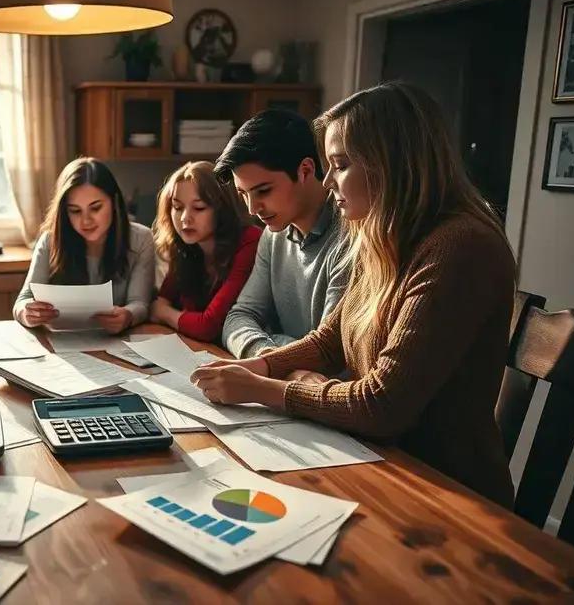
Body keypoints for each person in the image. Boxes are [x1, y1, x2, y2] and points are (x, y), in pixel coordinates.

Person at [191, 81, 517, 506]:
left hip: (443, 490)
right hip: (380, 461)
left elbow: (381, 404)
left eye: (340, 165)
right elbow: (331, 339)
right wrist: (261, 365)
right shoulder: (386, 237)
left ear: (391, 163)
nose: (327, 182)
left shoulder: (460, 247)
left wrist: (259, 389)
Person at [216, 109, 349, 358]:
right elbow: (239, 317)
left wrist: (275, 357)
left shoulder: (349, 236)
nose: (252, 209)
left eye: (263, 191)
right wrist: (266, 353)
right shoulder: (272, 236)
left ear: (306, 170)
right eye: (243, 194)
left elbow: (327, 352)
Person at [14, 157, 154, 333]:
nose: (86, 221)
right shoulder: (50, 240)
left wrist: (128, 315)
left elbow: (140, 303)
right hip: (61, 343)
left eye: (95, 208)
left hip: (116, 344)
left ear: (114, 202)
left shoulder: (141, 239)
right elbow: (23, 300)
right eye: (75, 211)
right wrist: (27, 312)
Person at [151, 160, 262, 342]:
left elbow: (209, 326)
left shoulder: (250, 241)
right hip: (202, 351)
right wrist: (168, 313)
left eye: (199, 208)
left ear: (222, 208)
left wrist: (166, 314)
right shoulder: (185, 246)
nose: (185, 218)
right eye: (178, 208)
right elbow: (160, 302)